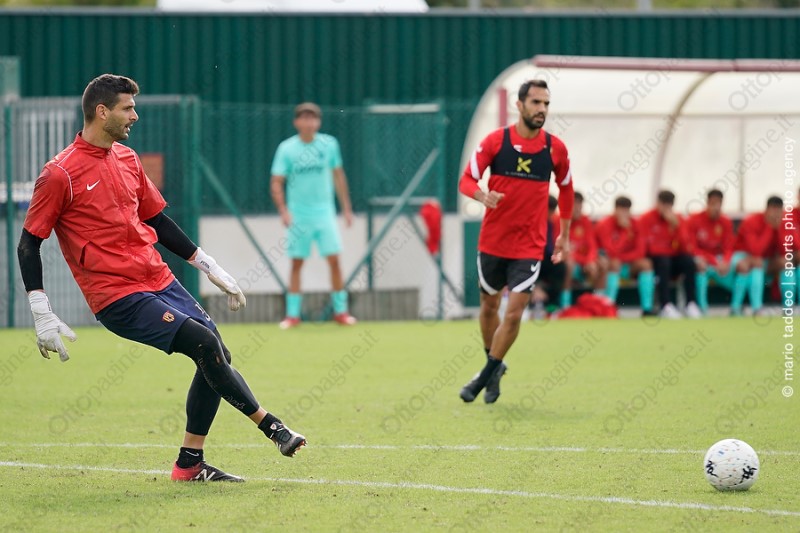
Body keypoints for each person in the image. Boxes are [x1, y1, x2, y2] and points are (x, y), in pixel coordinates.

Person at [17, 74, 306, 483]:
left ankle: (189, 463)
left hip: (158, 278)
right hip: (116, 296)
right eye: (127, 108)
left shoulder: (127, 158)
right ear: (102, 111)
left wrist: (208, 265)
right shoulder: (59, 173)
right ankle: (273, 427)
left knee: (217, 353)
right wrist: (40, 310)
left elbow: (157, 220)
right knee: (205, 344)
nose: (135, 115)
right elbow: (29, 243)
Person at [457, 79, 574, 404]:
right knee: (489, 307)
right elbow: (466, 179)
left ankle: (483, 377)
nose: (542, 109)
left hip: (529, 246)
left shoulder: (555, 148)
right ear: (519, 105)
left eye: (546, 103)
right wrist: (482, 195)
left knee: (513, 313)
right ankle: (495, 367)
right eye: (536, 102)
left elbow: (566, 189)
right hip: (493, 242)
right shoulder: (496, 142)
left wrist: (564, 234)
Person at [270, 102, 356, 329]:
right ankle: (292, 315)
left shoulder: (329, 144)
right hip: (299, 216)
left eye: (313, 118)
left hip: (325, 214)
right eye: (304, 117)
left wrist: (346, 208)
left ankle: (341, 312)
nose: (309, 122)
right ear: (296, 122)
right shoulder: (287, 149)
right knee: (297, 262)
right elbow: (276, 182)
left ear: (318, 122)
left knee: (334, 260)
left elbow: (338, 175)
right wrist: (283, 210)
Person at [639, 190, 701, 319]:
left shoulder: (677, 219)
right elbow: (648, 247)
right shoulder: (646, 219)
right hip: (657, 260)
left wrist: (677, 226)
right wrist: (667, 250)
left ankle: (690, 303)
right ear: (658, 203)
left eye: (669, 206)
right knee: (664, 261)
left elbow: (686, 247)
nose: (666, 209)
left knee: (689, 262)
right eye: (663, 205)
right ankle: (665, 305)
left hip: (672, 258)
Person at [595, 196, 656, 316]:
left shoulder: (636, 224)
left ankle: (647, 308)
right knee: (614, 263)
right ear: (615, 209)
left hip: (628, 265)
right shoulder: (604, 224)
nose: (624, 214)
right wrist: (625, 231)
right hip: (610, 267)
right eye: (621, 210)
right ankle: (609, 307)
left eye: (626, 210)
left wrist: (623, 258)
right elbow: (610, 252)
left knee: (646, 264)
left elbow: (640, 251)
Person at [686, 189, 738, 315]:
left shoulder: (725, 222)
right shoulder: (694, 220)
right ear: (707, 203)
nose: (716, 207)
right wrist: (713, 261)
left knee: (743, 267)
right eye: (713, 203)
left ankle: (736, 307)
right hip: (704, 259)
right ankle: (702, 309)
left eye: (718, 203)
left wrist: (726, 261)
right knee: (700, 266)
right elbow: (692, 247)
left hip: (719, 261)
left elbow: (729, 247)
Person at [732, 195, 783, 315]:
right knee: (755, 267)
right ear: (767, 209)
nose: (775, 215)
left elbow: (785, 249)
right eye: (773, 210)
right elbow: (755, 250)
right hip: (741, 257)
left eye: (778, 211)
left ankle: (789, 307)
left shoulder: (782, 223)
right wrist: (770, 227)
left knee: (786, 264)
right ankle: (744, 308)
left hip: (764, 261)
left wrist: (779, 229)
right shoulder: (752, 221)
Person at [560, 191, 606, 308]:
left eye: (579, 204)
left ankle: (600, 303)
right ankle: (565, 305)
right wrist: (584, 261)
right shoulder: (559, 221)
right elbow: (562, 250)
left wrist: (590, 261)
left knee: (603, 263)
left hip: (584, 263)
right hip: (568, 264)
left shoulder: (585, 221)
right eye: (574, 204)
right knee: (569, 264)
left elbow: (592, 246)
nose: (577, 208)